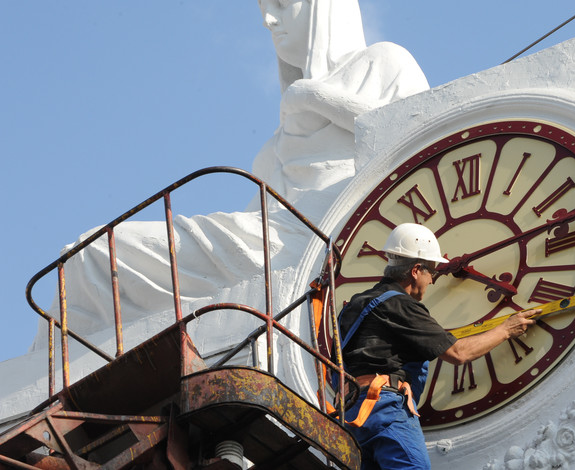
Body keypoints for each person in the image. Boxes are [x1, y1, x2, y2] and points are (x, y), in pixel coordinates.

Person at [36, 0, 429, 341]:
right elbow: (252, 217)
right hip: (259, 241)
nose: (269, 20)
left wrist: (312, 95)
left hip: (321, 242)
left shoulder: (385, 62)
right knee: (83, 259)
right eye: (263, 9)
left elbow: (414, 142)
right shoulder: (278, 138)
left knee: (94, 256)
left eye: (281, 3)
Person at [339, 223, 537, 470]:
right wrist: (504, 330)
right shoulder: (401, 305)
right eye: (431, 272)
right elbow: (458, 353)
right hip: (384, 407)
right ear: (415, 270)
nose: (433, 281)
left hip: (349, 413)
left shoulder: (356, 304)